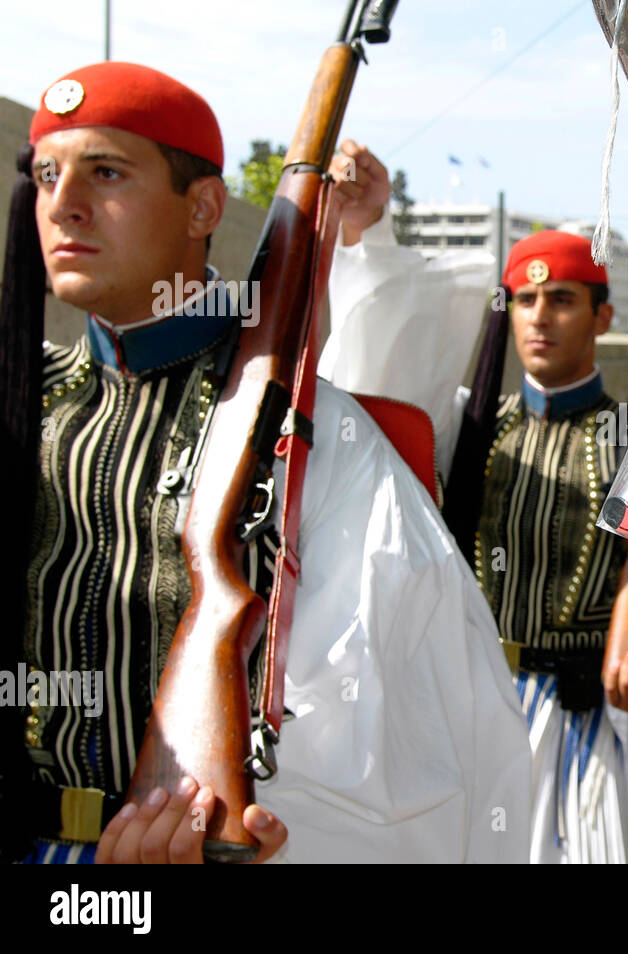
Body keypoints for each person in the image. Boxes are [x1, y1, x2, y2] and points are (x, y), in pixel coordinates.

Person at [2, 62, 530, 863]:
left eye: (105, 171)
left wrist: (238, 830)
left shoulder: (312, 435)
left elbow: (390, 726)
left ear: (204, 207)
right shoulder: (24, 402)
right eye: (47, 175)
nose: (63, 204)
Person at [322, 143, 628, 863]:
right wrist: (370, 227)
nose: (539, 317)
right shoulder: (468, 426)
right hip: (476, 707)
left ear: (603, 314)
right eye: (525, 300)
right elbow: (377, 368)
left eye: (563, 299)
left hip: (596, 728)